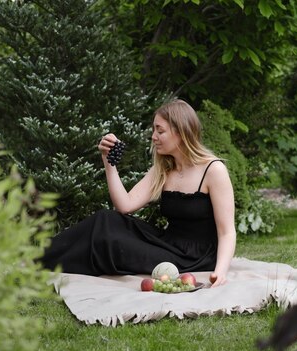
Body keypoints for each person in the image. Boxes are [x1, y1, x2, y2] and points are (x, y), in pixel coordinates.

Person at [42, 99, 236, 287]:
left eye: (160, 131)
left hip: (194, 258)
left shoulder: (213, 170)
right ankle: (38, 255)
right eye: (154, 130)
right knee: (105, 219)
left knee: (112, 242)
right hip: (167, 243)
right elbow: (125, 205)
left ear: (180, 132)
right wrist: (109, 163)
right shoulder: (164, 168)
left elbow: (226, 232)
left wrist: (220, 271)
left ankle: (44, 262)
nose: (153, 136)